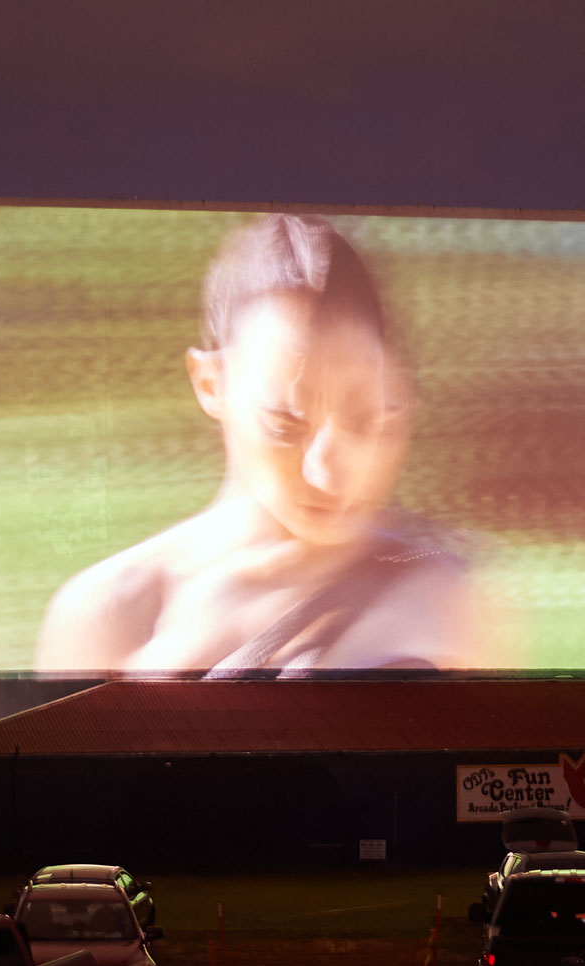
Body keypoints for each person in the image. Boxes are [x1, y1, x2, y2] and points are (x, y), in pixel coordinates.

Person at [35, 215, 494, 676]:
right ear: (211, 384)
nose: (328, 472)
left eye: (365, 420)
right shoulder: (108, 616)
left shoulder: (448, 597)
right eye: (285, 424)